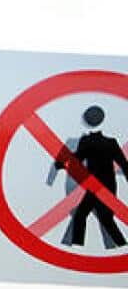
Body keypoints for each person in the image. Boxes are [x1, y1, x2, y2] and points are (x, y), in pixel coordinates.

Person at [54, 105, 128, 247]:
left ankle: (79, 247)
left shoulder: (87, 141)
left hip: (95, 186)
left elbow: (77, 158)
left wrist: (61, 164)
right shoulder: (111, 143)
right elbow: (124, 165)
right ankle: (120, 245)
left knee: (85, 216)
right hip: (108, 186)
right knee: (102, 218)